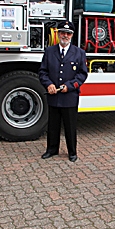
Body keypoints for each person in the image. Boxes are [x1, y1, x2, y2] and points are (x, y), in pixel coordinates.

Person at [39, 20, 88, 162]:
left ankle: (72, 152)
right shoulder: (49, 51)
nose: (65, 36)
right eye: (62, 32)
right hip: (53, 95)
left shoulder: (79, 53)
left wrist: (70, 86)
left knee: (70, 126)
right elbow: (43, 72)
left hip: (70, 96)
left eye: (68, 33)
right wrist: (48, 84)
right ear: (58, 33)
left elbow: (82, 74)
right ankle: (51, 149)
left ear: (72, 35)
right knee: (53, 125)